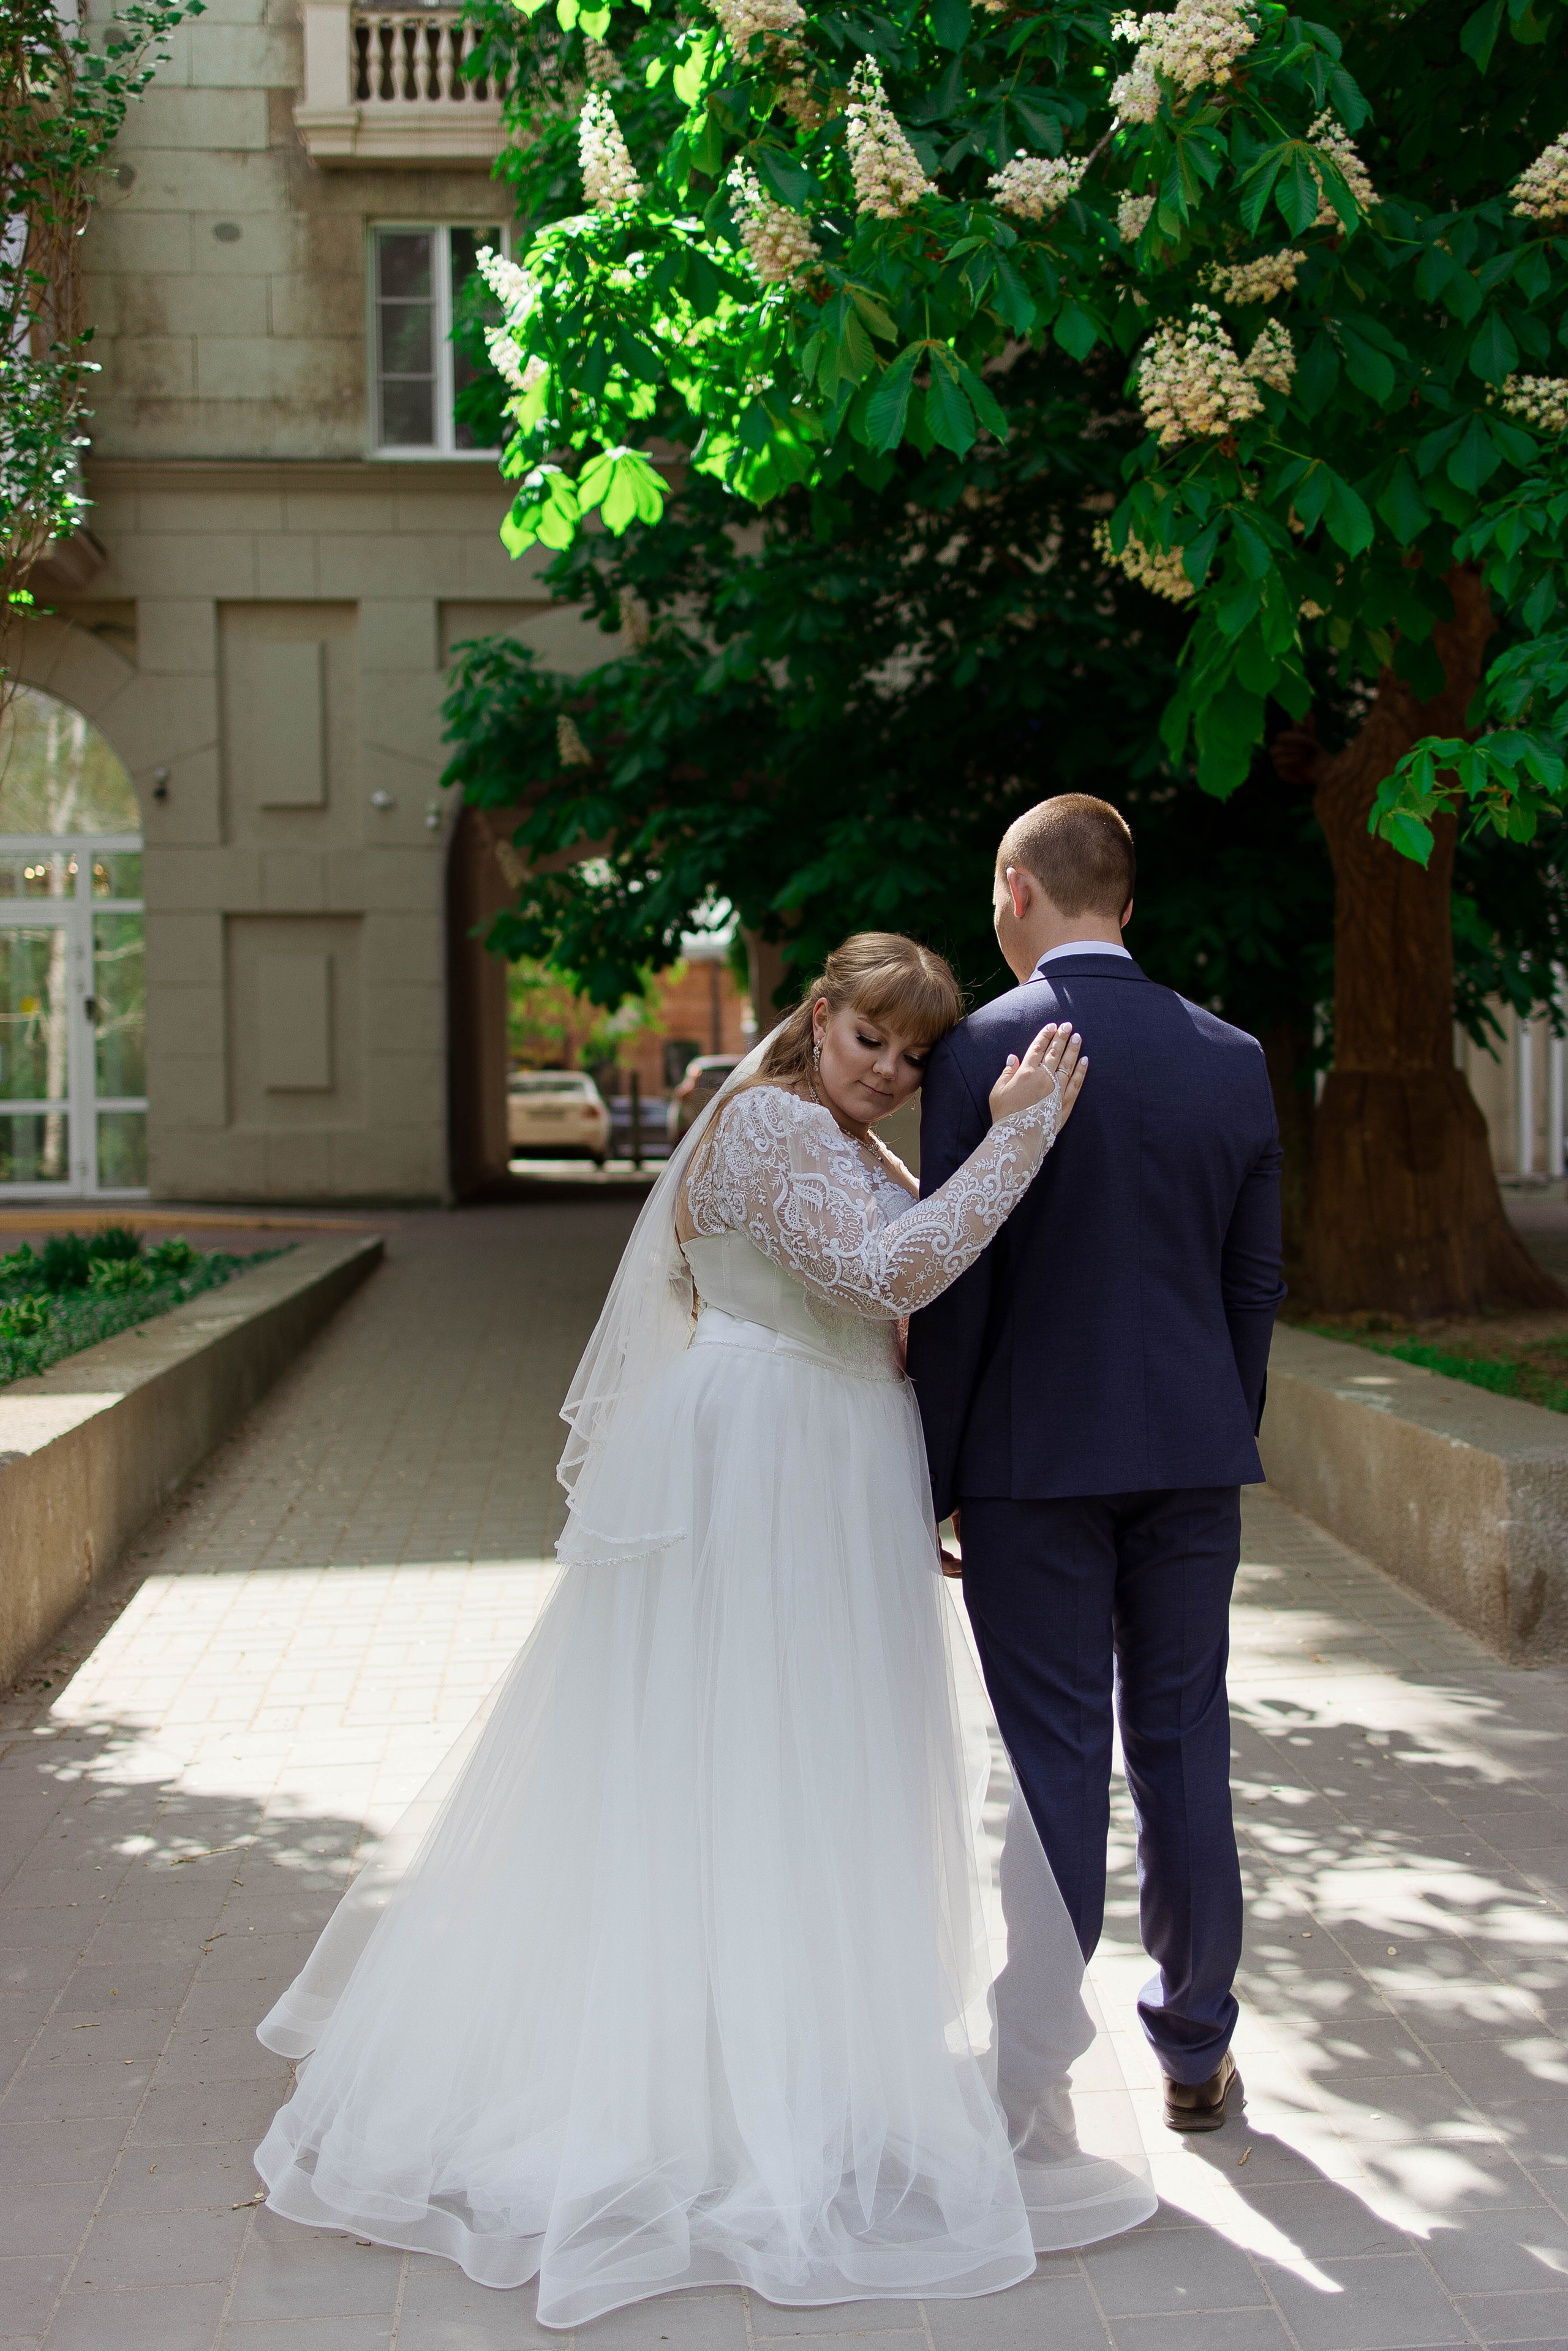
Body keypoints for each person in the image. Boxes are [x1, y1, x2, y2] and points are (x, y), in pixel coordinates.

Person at [253, 932, 1156, 2330]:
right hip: (767, 1455)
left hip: (831, 1452)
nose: (889, 1069)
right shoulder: (776, 1122)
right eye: (870, 1037)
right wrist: (1017, 1137)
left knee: (810, 1763)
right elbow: (885, 1277)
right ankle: (704, 2088)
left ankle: (795, 2055)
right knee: (739, 1752)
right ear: (821, 1015)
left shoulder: (843, 1137)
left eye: (913, 1054)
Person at [908, 796, 1286, 2134]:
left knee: (1053, 1758)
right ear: (1125, 901)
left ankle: (1028, 2066)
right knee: (1184, 1744)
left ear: (1018, 889)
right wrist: (1213, 1425)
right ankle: (1195, 2047)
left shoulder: (977, 1049)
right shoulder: (1232, 1056)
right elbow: (1253, 1283)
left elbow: (955, 1286)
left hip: (1030, 1463)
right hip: (1190, 1455)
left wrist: (931, 1477)